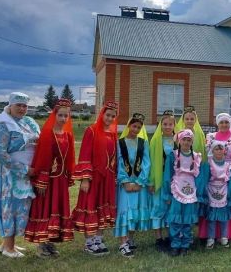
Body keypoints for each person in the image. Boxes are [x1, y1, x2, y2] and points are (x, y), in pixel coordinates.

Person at [24, 99, 75, 256]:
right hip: (49, 180)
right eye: (60, 115)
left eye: (66, 116)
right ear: (54, 115)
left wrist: (69, 175)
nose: (63, 119)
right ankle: (41, 245)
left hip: (60, 179)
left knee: (57, 209)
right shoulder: (48, 133)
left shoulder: (67, 135)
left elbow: (70, 158)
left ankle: (50, 242)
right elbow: (42, 158)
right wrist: (42, 179)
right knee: (45, 209)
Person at [0, 92, 40, 258]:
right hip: (11, 173)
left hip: (27, 174)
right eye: (18, 105)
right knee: (9, 208)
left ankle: (7, 244)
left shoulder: (28, 122)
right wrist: (23, 169)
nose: (22, 108)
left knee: (20, 208)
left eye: (25, 105)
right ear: (10, 105)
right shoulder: (3, 124)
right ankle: (8, 248)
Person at [71, 101, 119, 256]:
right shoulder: (91, 131)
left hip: (108, 178)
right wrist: (85, 178)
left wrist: (115, 175)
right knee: (91, 206)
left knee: (103, 208)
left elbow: (114, 157)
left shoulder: (112, 133)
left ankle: (98, 239)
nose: (110, 118)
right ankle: (89, 242)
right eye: (108, 115)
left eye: (113, 116)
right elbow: (84, 155)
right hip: (93, 178)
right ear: (102, 114)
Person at [197, 113, 231, 240]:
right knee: (213, 200)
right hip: (213, 173)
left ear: (230, 123)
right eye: (222, 122)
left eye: (226, 122)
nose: (224, 125)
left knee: (229, 199)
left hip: (229, 173)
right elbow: (206, 155)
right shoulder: (210, 137)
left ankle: (227, 233)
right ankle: (211, 235)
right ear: (217, 124)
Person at [114, 113, 151, 257]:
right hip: (126, 184)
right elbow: (119, 163)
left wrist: (140, 182)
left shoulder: (143, 143)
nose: (136, 129)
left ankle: (130, 238)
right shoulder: (120, 142)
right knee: (125, 210)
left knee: (134, 213)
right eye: (134, 126)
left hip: (138, 183)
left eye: (139, 127)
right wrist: (125, 181)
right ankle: (122, 243)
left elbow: (147, 163)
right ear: (129, 126)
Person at [162, 129, 202, 256]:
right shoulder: (172, 155)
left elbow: (199, 177)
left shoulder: (196, 157)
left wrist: (199, 194)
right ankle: (175, 244)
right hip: (176, 190)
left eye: (188, 140)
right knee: (175, 219)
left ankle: (185, 245)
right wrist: (167, 194)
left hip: (190, 190)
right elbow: (167, 175)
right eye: (184, 139)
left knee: (187, 220)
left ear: (192, 142)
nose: (186, 142)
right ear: (179, 141)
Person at [148, 110, 176, 252]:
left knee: (172, 208)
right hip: (159, 179)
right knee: (158, 207)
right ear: (160, 125)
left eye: (170, 124)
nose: (167, 126)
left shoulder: (178, 140)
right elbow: (151, 162)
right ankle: (159, 238)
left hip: (175, 180)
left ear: (174, 125)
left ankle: (172, 236)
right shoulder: (155, 141)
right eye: (164, 124)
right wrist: (152, 181)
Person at [204, 140, 231, 249]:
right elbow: (204, 179)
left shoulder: (228, 165)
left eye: (221, 149)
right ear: (212, 151)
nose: (219, 151)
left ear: (224, 151)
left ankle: (224, 237)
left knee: (224, 217)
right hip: (211, 191)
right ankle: (210, 238)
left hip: (224, 192)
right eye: (216, 149)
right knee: (212, 218)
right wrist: (203, 194)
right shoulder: (209, 163)